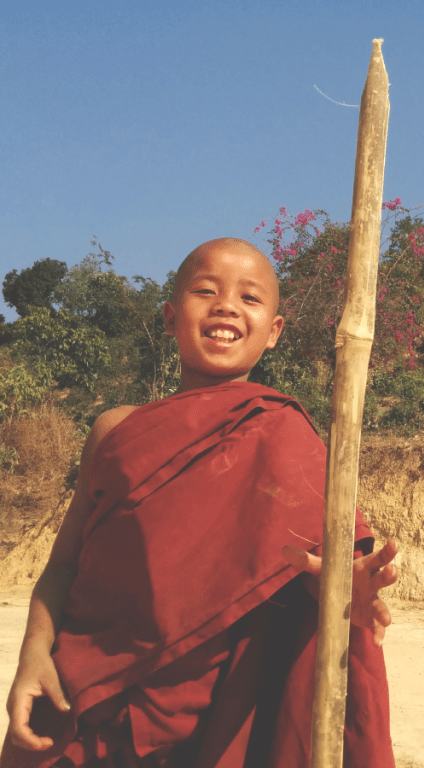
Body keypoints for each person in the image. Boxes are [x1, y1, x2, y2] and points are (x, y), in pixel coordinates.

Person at [2, 238, 398, 768]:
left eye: (250, 298)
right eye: (205, 290)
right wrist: (33, 650)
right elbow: (66, 563)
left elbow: (298, 572)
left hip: (212, 715)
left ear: (275, 331)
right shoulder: (116, 431)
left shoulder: (287, 438)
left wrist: (342, 586)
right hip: (84, 693)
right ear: (170, 317)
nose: (226, 305)